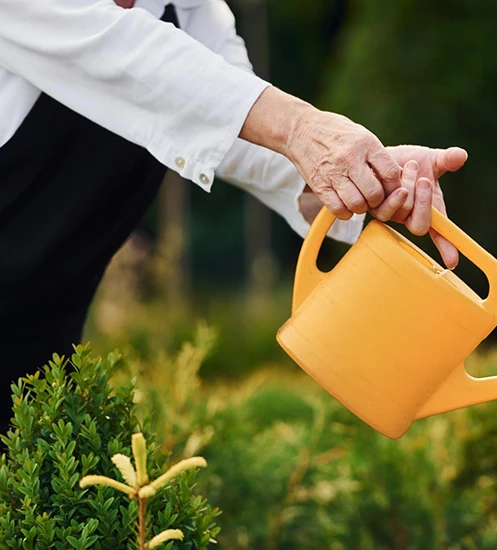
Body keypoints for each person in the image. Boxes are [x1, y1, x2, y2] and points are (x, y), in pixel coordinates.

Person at [0, 0, 467, 424]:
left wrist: (368, 176)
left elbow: (240, 133)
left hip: (40, 359)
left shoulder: (193, 11)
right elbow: (131, 56)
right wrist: (304, 128)